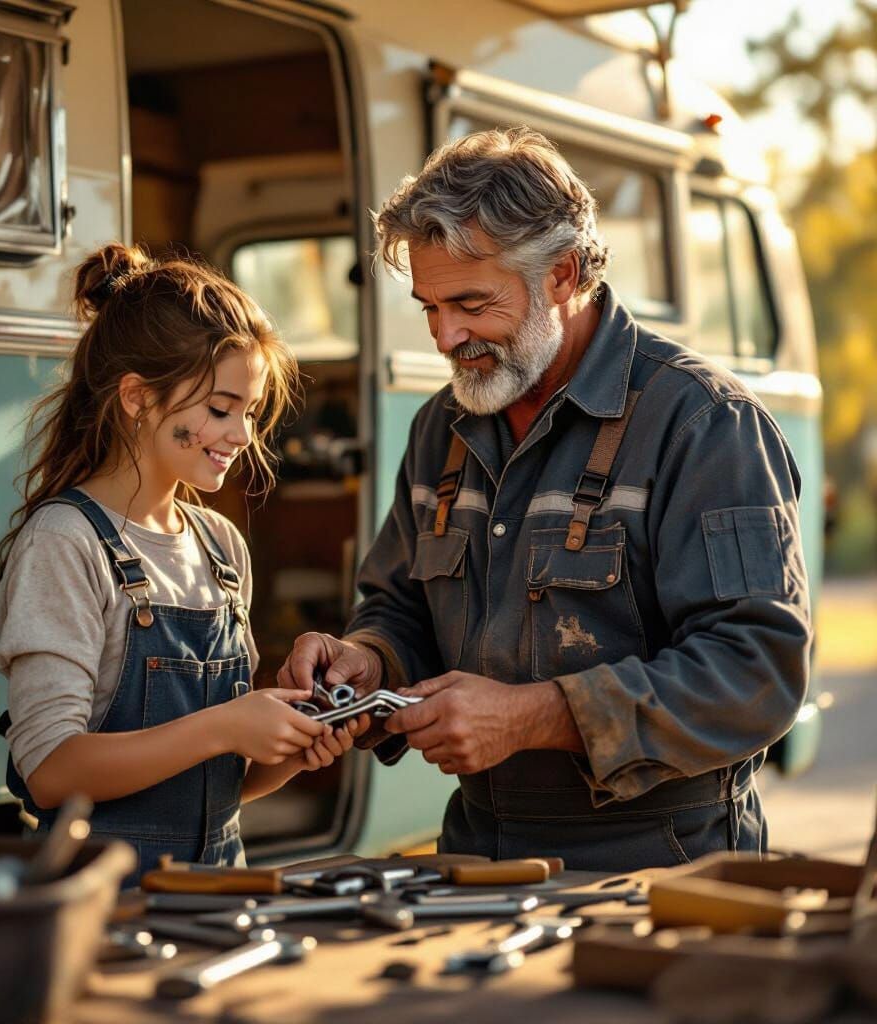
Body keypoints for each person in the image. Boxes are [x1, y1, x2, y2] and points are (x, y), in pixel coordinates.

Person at [279, 128, 811, 871]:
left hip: (660, 868)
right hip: (475, 857)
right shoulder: (443, 428)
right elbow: (399, 608)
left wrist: (538, 717)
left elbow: (757, 671)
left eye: (470, 302)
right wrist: (368, 663)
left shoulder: (704, 424)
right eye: (429, 307)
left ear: (563, 274)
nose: (445, 335)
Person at [0, 243, 364, 881]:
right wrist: (226, 725)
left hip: (218, 891)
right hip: (105, 906)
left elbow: (213, 787)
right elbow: (51, 772)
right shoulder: (66, 542)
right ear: (136, 397)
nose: (242, 436)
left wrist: (292, 744)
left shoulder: (221, 545)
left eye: (248, 412)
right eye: (220, 409)